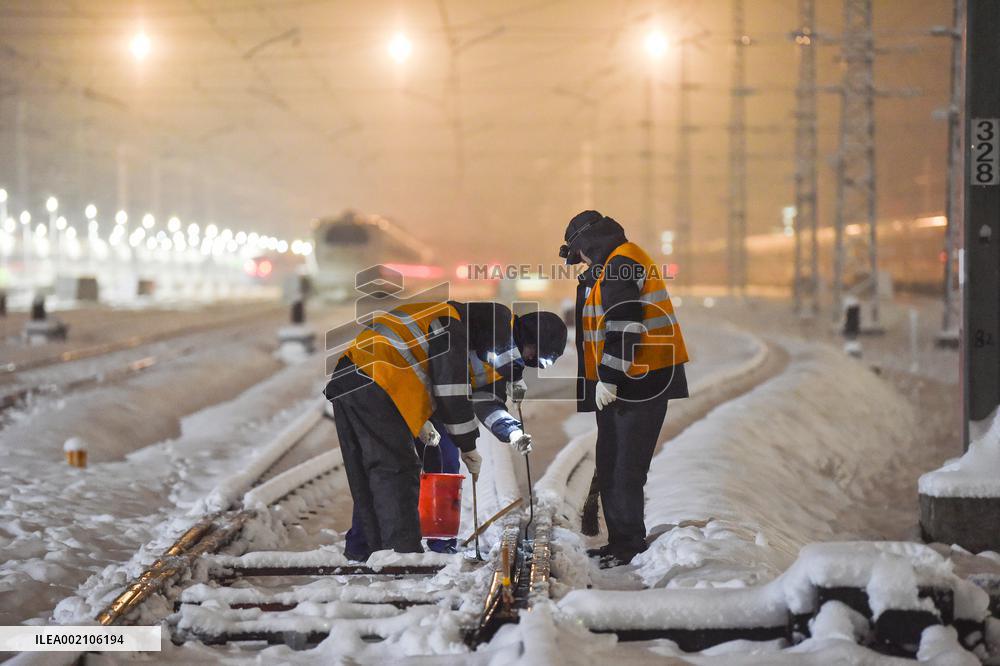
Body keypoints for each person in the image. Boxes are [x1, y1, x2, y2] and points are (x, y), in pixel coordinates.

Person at [333, 303, 568, 560]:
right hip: (372, 373)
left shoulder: (489, 346)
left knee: (416, 465)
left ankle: (374, 548)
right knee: (393, 469)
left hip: (391, 385)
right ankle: (399, 555)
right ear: (527, 337)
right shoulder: (461, 326)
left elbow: (488, 403)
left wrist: (512, 432)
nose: (530, 361)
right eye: (534, 354)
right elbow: (451, 389)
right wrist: (468, 446)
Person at [559, 210, 690, 568]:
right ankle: (621, 541)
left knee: (625, 467)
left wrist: (610, 377)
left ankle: (629, 545)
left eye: (580, 254)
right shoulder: (618, 263)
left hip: (638, 383)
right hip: (633, 381)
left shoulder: (622, 264)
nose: (580, 262)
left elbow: (624, 326)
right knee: (612, 463)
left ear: (589, 244)